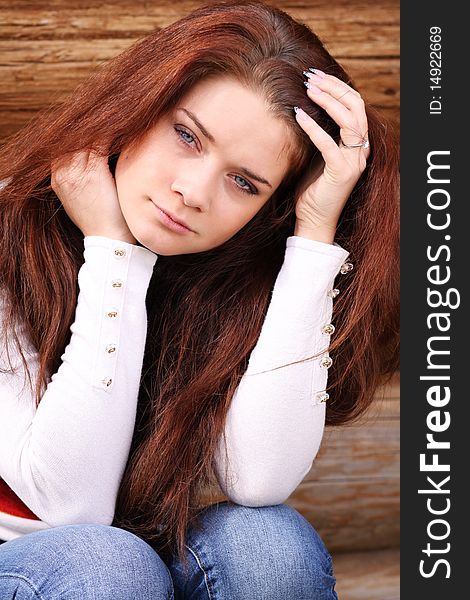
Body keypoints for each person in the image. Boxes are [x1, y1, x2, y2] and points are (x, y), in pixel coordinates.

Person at [0, 0, 399, 597]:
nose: (191, 193)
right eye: (186, 136)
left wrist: (314, 235)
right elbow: (70, 507)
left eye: (244, 182)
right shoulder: (10, 227)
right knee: (102, 567)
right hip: (46, 561)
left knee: (270, 547)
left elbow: (258, 478)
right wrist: (113, 251)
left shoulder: (235, 271)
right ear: (139, 107)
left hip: (133, 560)